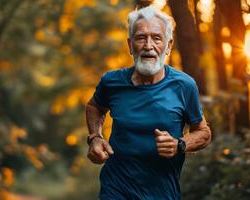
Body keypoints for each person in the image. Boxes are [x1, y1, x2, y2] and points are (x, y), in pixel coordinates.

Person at [85, 6, 212, 200]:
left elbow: (203, 133)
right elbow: (94, 106)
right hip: (115, 189)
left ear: (168, 46)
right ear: (130, 44)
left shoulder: (184, 85)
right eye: (141, 37)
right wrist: (95, 137)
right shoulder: (112, 82)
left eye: (156, 38)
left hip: (162, 193)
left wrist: (179, 144)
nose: (148, 45)